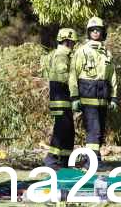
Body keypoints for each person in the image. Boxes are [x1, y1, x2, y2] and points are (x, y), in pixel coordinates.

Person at [69, 17, 118, 168]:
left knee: (100, 131)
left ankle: (93, 159)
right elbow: (73, 75)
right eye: (93, 30)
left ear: (103, 32)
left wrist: (114, 97)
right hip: (87, 97)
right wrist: (75, 96)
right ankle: (92, 162)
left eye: (99, 30)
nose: (96, 32)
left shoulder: (107, 53)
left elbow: (113, 76)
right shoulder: (82, 51)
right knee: (94, 130)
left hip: (103, 98)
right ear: (88, 32)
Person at [42, 28, 78, 169]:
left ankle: (65, 161)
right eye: (73, 42)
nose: (74, 45)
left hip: (62, 98)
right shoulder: (62, 55)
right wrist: (76, 80)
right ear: (68, 41)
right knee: (61, 130)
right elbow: (64, 75)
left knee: (68, 130)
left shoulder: (64, 54)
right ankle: (51, 160)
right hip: (60, 97)